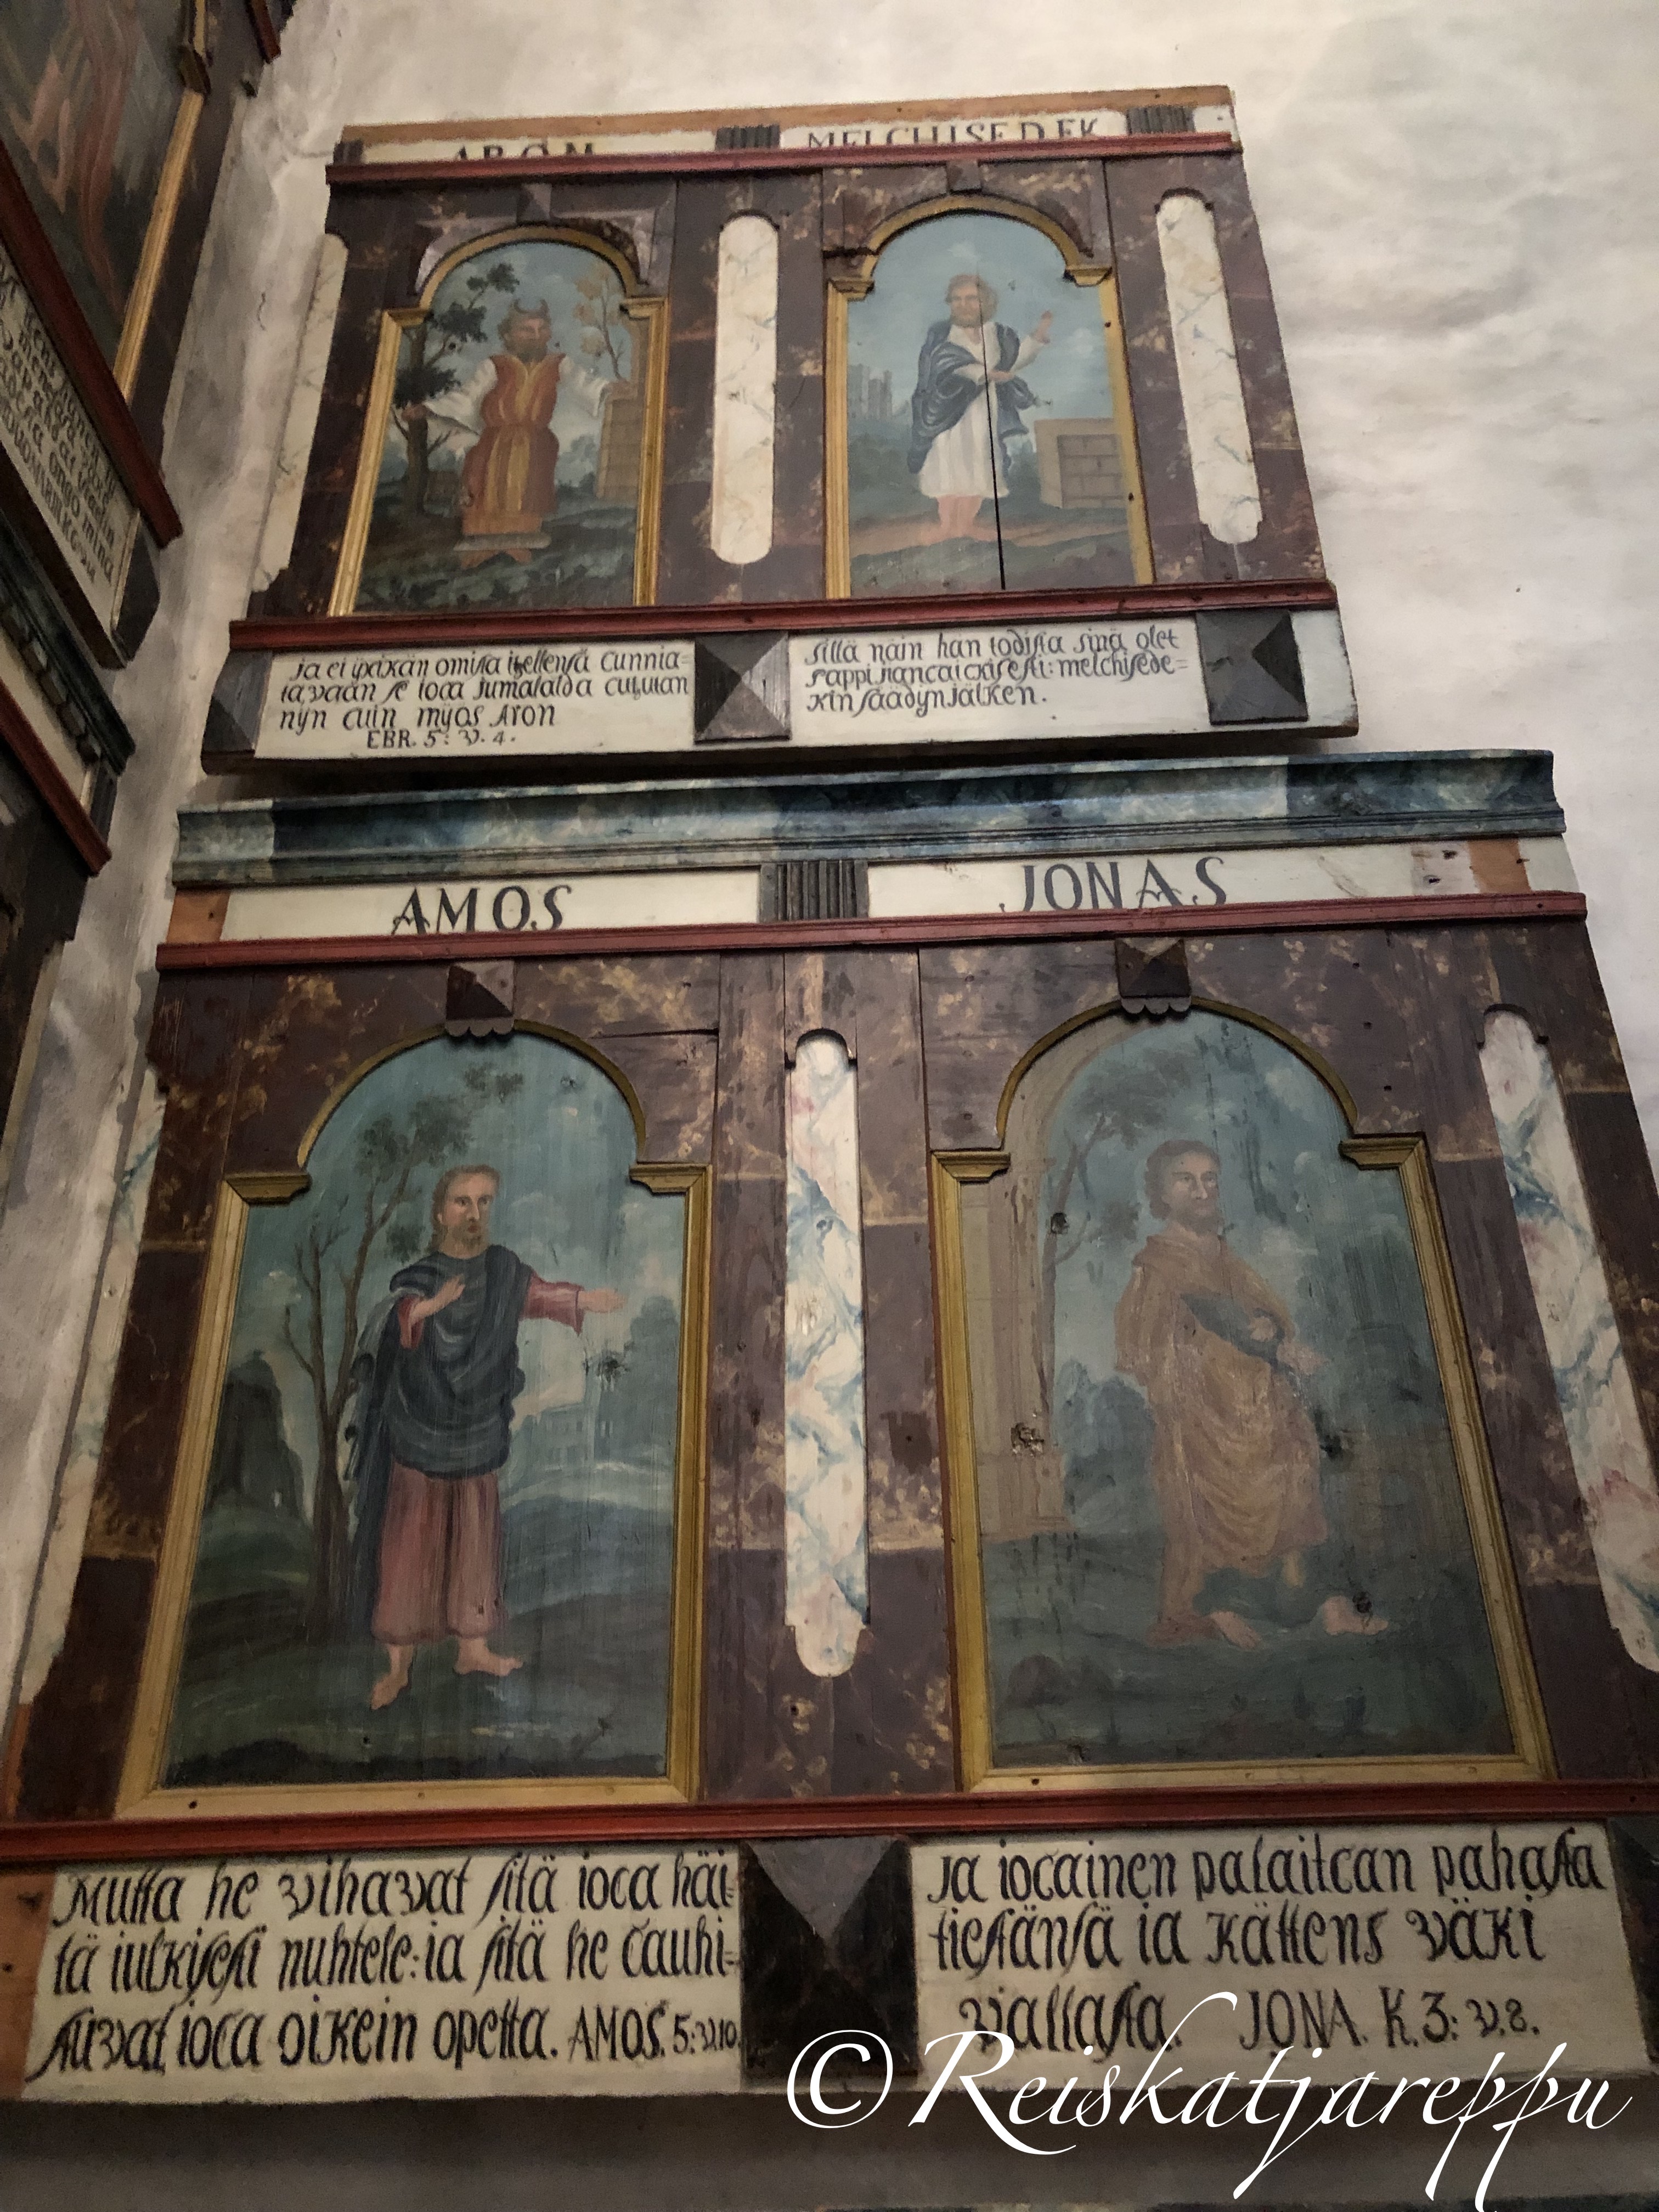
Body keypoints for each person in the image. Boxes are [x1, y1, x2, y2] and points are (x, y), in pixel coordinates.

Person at [346, 1163, 623, 1709]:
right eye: (462, 1202)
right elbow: (393, 1318)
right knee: (411, 1546)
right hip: (420, 1427)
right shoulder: (421, 1276)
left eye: (483, 1202)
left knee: (475, 1539)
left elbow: (538, 1295)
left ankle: (472, 1649)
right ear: (440, 1212)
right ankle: (398, 1666)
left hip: (474, 1430)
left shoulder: (502, 1271)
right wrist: (430, 1308)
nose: (474, 1214)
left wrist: (586, 1300)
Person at [1114, 1139, 1386, 1651]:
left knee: (1297, 1489)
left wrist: (1271, 1331)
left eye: (1209, 1179)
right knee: (1219, 1513)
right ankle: (1219, 1609)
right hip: (1205, 1413)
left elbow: (1263, 1308)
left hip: (1262, 1400)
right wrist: (1223, 1346)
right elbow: (1145, 1341)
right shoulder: (1157, 1263)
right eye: (1186, 1180)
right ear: (1161, 1193)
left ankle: (1329, 1607)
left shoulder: (1222, 1254)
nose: (1202, 1191)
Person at [404, 300, 612, 565]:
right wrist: (429, 408)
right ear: (507, 335)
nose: (536, 336)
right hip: (495, 444)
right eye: (527, 330)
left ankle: (520, 551)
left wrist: (608, 388)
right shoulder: (495, 365)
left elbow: (584, 383)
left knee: (526, 496)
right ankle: (482, 552)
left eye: (541, 329)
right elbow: (467, 397)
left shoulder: (558, 364)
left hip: (535, 444)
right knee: (485, 493)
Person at [907, 272, 1051, 542]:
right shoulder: (942, 333)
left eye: (971, 298)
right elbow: (942, 363)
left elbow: (1013, 362)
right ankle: (947, 526)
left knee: (979, 463)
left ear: (985, 301)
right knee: (948, 464)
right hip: (948, 411)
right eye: (957, 299)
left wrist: (1039, 335)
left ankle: (965, 526)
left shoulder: (998, 333)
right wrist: (984, 373)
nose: (964, 305)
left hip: (985, 409)